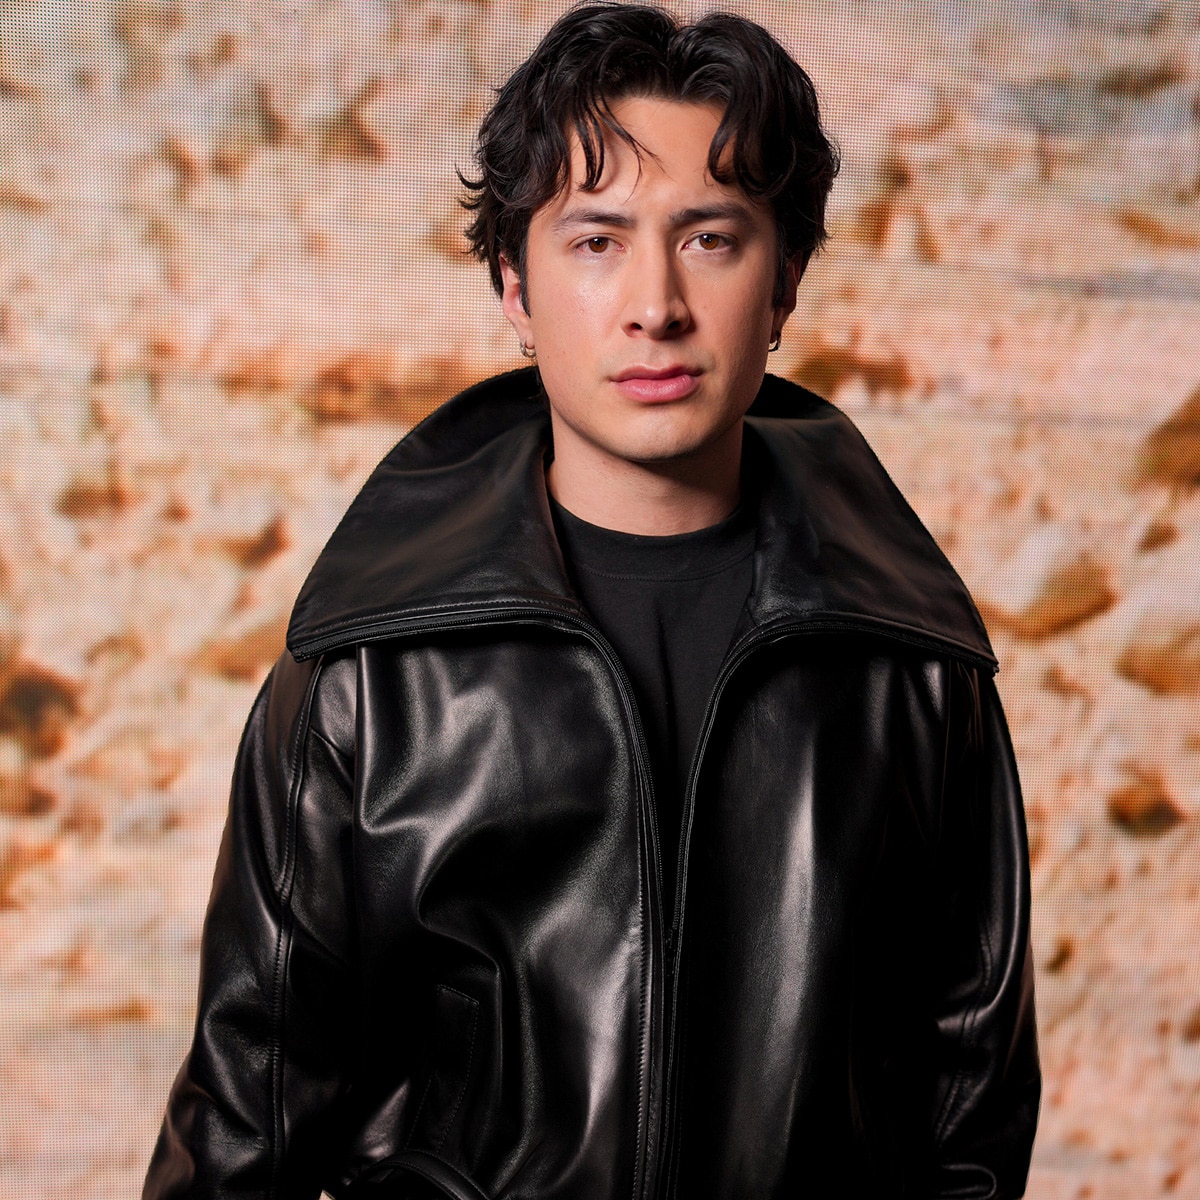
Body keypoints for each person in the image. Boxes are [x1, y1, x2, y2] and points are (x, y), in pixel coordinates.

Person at [144, 5, 1040, 1198]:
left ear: (784, 285)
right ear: (515, 288)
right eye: (596, 240)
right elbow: (242, 1129)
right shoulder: (367, 678)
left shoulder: (915, 672)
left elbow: (969, 1126)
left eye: (710, 238)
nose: (654, 305)